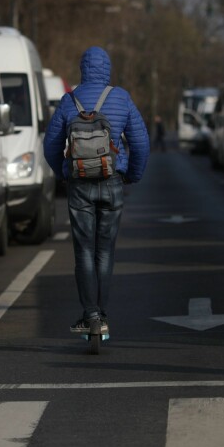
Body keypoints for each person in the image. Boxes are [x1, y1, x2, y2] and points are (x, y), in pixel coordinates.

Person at [43, 46, 149, 335]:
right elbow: (140, 143)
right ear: (107, 69)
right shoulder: (121, 98)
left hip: (79, 185)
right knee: (105, 250)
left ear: (82, 69)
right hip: (112, 181)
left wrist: (64, 172)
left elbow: (50, 145)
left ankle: (89, 313)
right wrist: (132, 174)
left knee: (84, 251)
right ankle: (102, 315)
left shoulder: (69, 101)